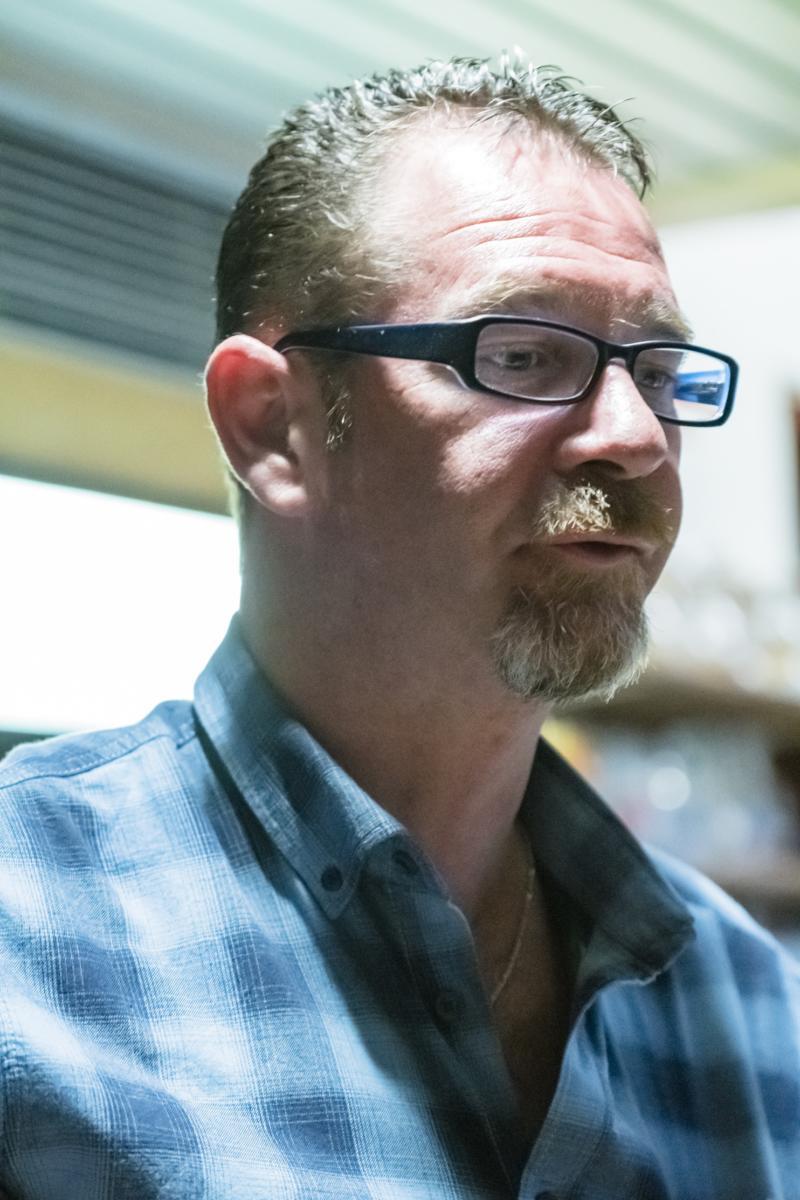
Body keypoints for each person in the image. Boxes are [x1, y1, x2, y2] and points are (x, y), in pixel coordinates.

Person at [0, 55, 797, 1200]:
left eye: (660, 370)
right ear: (272, 426)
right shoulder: (27, 933)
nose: (634, 437)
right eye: (521, 355)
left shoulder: (745, 1004)